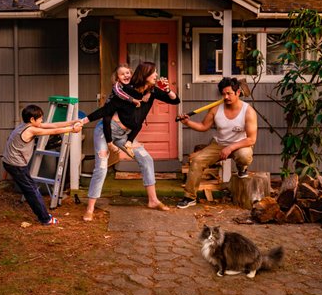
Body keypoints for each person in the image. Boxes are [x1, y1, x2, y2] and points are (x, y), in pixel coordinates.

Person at [81, 61, 180, 221]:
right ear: (145, 75)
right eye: (154, 72)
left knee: (146, 159)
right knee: (101, 168)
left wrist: (168, 90)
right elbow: (106, 110)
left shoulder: (152, 91)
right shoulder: (126, 91)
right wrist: (84, 121)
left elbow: (175, 101)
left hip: (124, 136)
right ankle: (90, 208)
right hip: (106, 132)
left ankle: (153, 200)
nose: (156, 75)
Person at [176, 77, 257, 209]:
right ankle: (189, 197)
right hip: (219, 144)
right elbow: (203, 126)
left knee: (244, 155)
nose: (226, 97)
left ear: (238, 93)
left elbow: (251, 139)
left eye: (229, 93)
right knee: (197, 160)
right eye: (223, 94)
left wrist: (230, 148)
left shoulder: (248, 111)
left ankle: (242, 167)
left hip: (240, 144)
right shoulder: (215, 109)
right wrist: (187, 122)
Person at [2, 104, 83, 225]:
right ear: (32, 120)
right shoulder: (30, 129)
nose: (42, 120)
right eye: (40, 118)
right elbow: (54, 131)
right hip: (16, 165)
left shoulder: (25, 125)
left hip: (10, 163)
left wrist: (72, 122)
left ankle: (43, 217)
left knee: (30, 190)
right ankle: (45, 219)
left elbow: (53, 125)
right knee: (32, 191)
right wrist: (72, 129)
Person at [101, 63, 142, 158]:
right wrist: (133, 100)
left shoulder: (132, 86)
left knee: (138, 125)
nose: (126, 75)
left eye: (127, 73)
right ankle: (109, 143)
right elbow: (120, 94)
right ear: (117, 77)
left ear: (131, 74)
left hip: (121, 113)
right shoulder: (117, 85)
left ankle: (129, 142)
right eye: (122, 74)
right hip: (110, 106)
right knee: (106, 120)